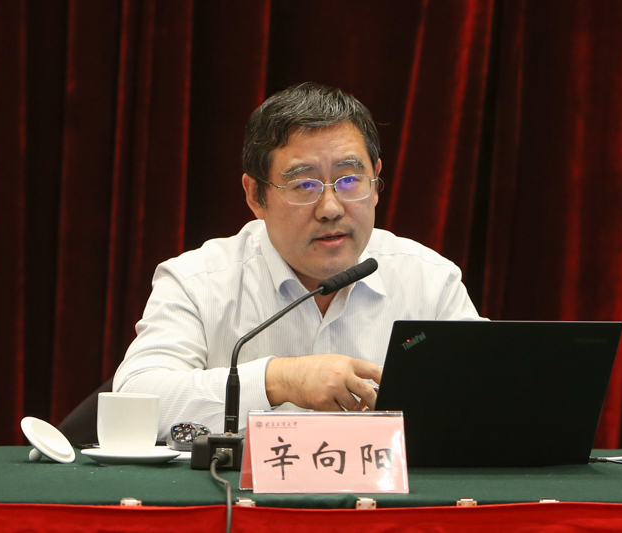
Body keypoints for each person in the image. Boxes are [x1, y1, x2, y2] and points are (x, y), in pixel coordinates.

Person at [113, 82, 482, 438]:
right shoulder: (197, 281)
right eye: (304, 185)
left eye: (350, 180)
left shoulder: (430, 281)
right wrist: (279, 380)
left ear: (375, 184)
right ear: (255, 196)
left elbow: (487, 399)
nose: (331, 208)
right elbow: (134, 401)